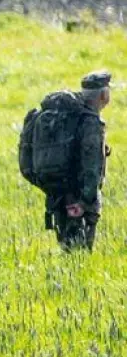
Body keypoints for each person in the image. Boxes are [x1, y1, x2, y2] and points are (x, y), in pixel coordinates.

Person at [46, 72, 112, 250]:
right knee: (79, 252)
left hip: (60, 193)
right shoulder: (91, 123)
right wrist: (85, 202)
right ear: (103, 95)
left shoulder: (69, 118)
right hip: (79, 200)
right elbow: (91, 168)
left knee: (67, 247)